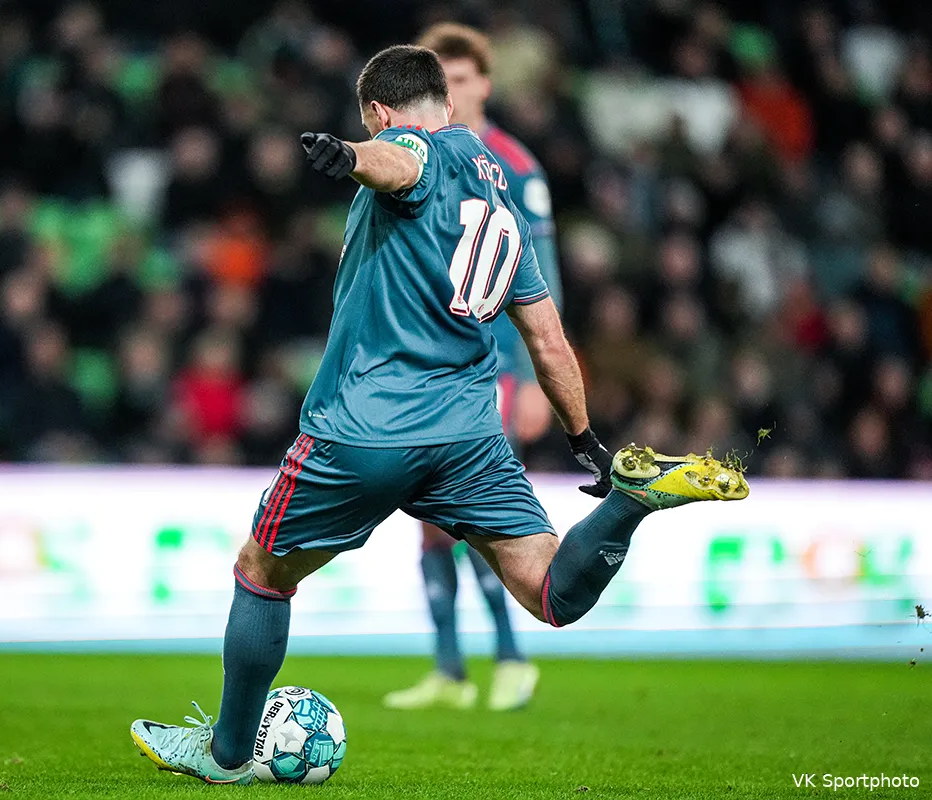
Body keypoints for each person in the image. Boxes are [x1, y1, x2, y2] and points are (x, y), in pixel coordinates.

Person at [129, 45, 748, 785]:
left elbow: (399, 164)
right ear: (449, 103)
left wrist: (349, 155)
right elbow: (548, 341)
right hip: (468, 436)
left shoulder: (410, 152)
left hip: (364, 429)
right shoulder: (501, 198)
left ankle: (227, 755)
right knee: (551, 592)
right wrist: (585, 440)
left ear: (381, 111)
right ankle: (628, 503)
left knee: (261, 571)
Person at [380, 22, 562, 714]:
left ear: (482, 84)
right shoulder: (414, 157)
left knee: (479, 516)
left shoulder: (514, 164)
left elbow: (543, 280)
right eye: (438, 82)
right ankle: (450, 669)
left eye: (457, 80)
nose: (448, 93)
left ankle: (512, 659)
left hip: (497, 365)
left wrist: (539, 378)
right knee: (428, 515)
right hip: (430, 365)